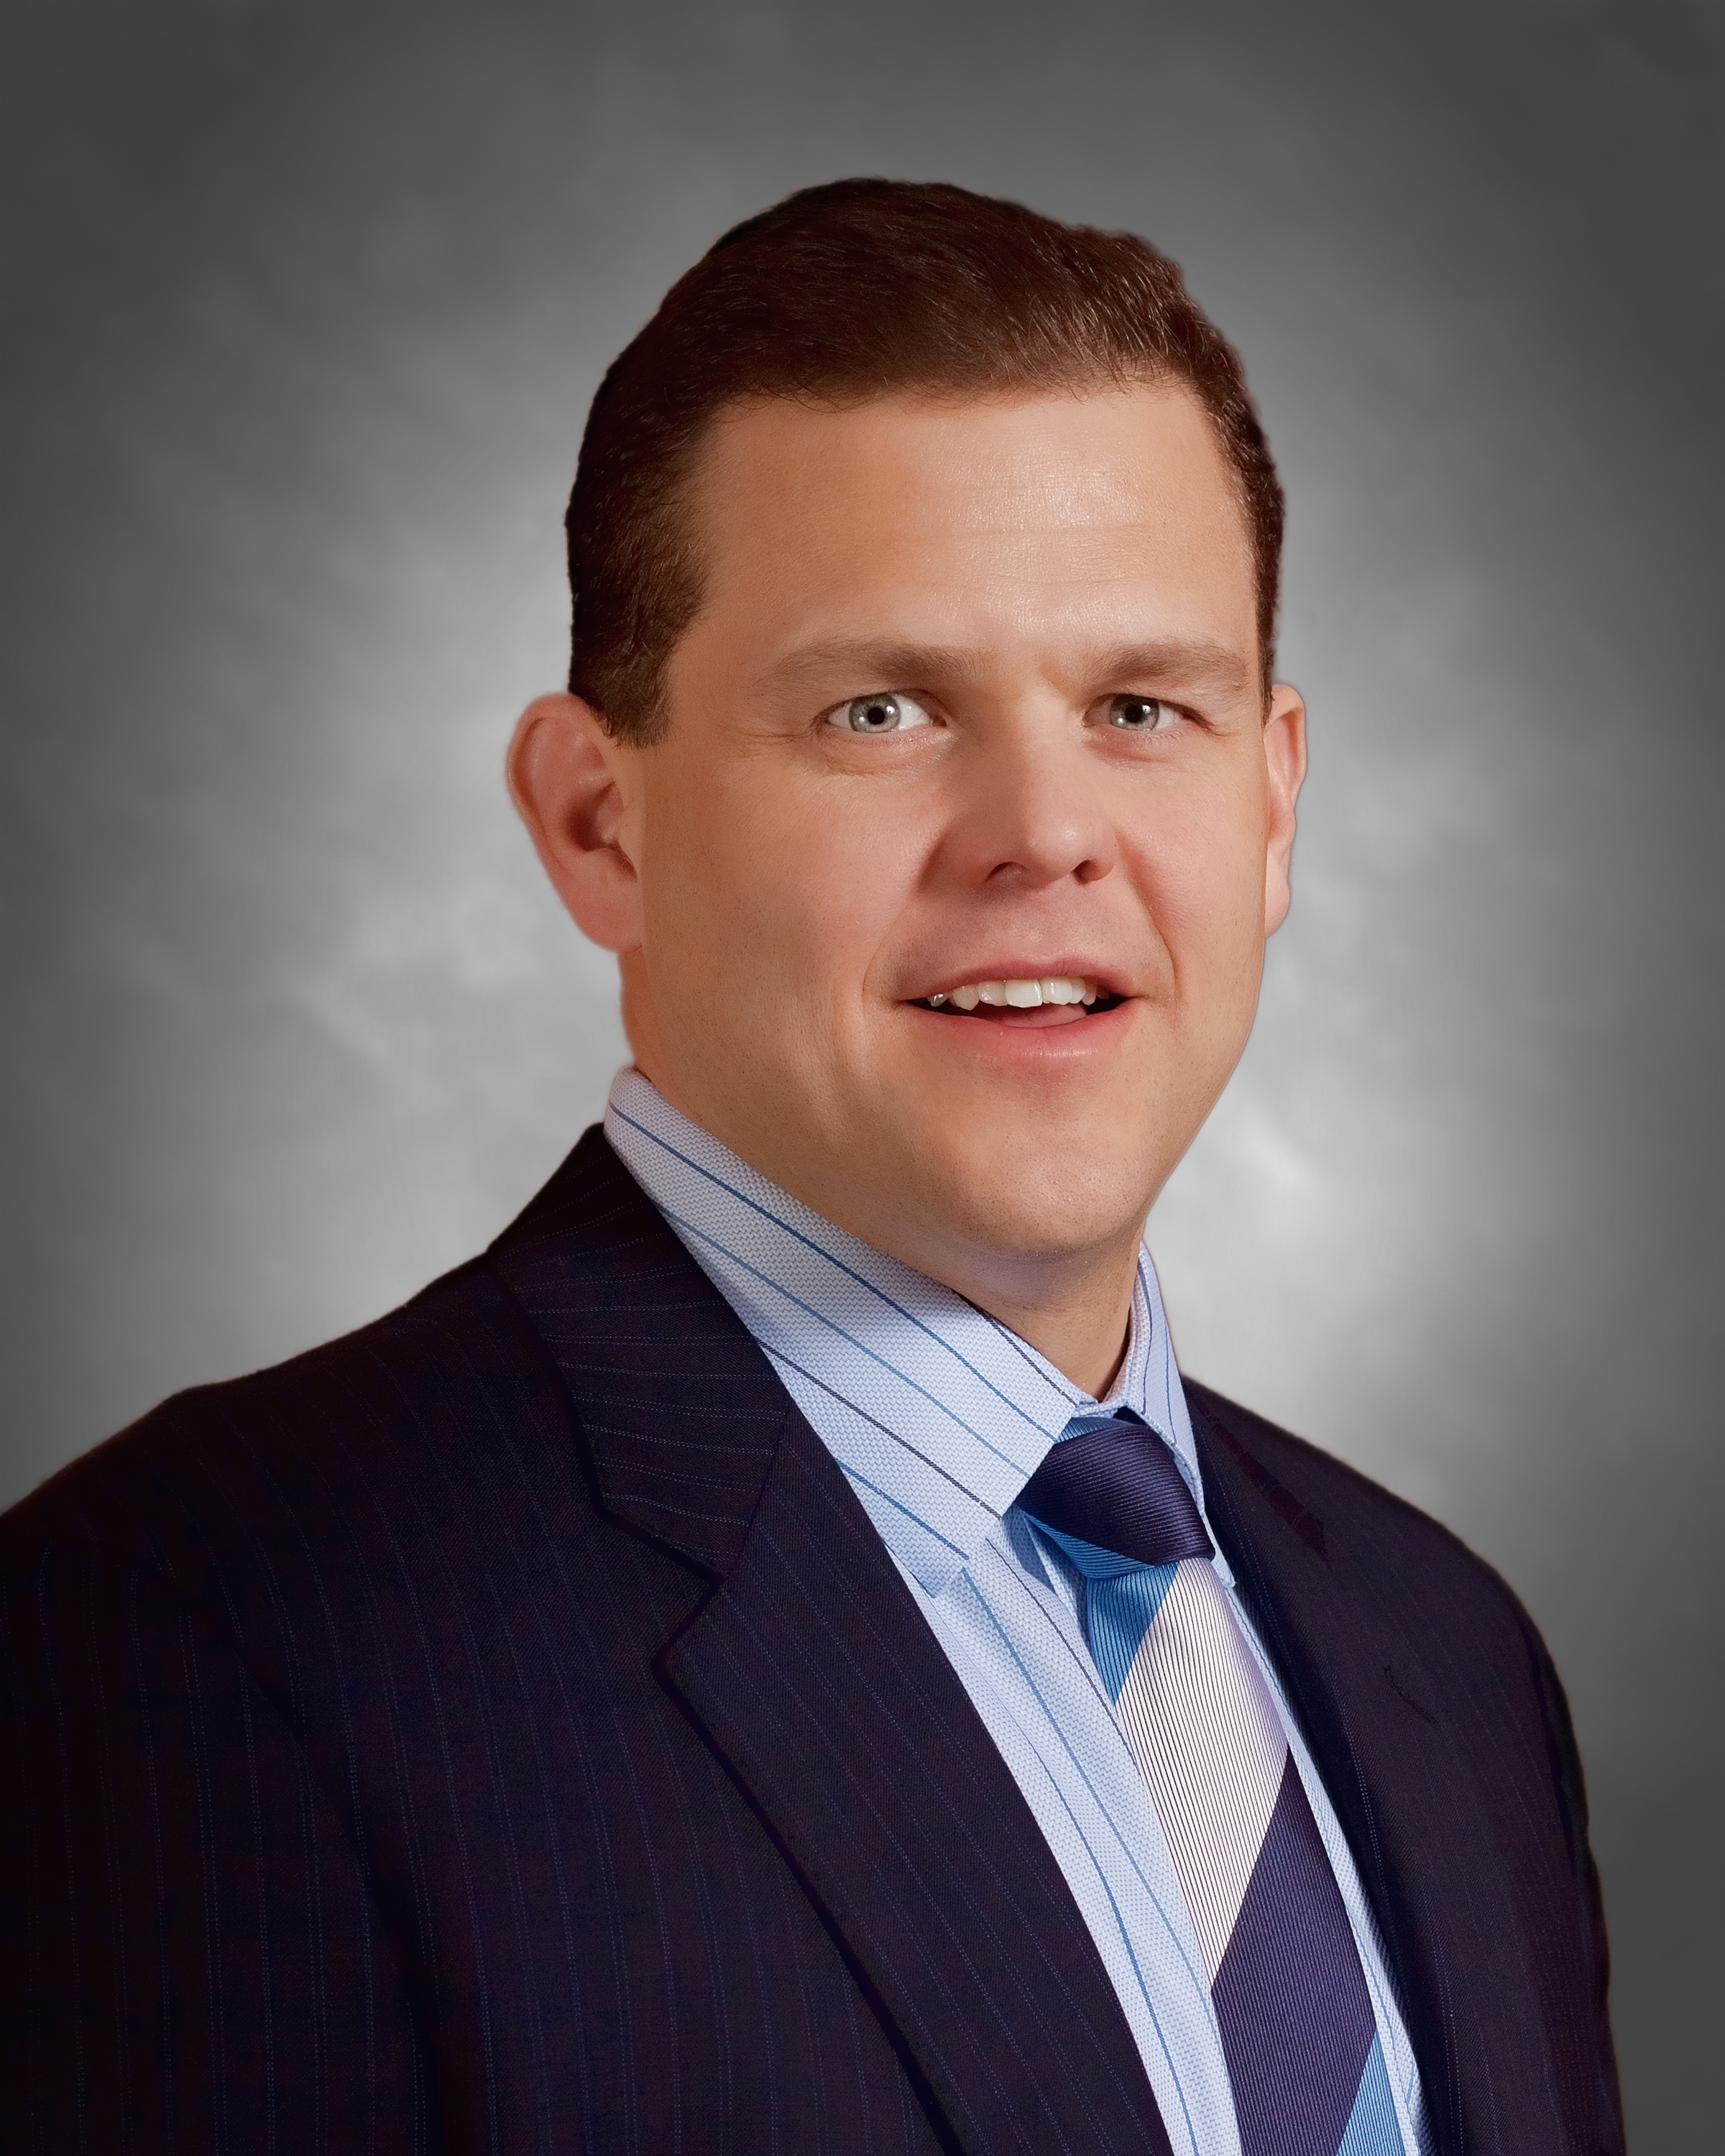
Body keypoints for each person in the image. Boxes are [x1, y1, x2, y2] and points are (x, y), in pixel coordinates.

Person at [1, 180, 1621, 2156]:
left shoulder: (1443, 1651)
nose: (1045, 834)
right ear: (599, 823)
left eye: (1141, 707)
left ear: (1273, 801)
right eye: (883, 710)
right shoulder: (191, 1643)